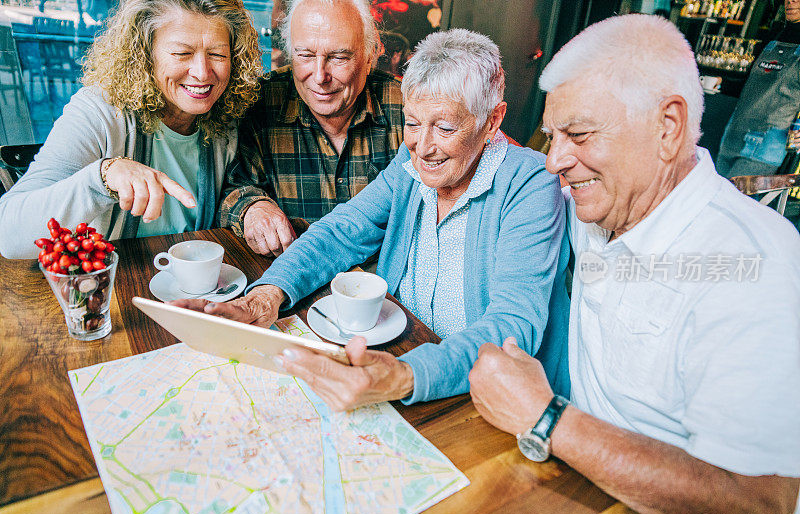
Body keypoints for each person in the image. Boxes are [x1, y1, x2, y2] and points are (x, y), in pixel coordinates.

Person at [469, 14, 800, 514]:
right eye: (553, 136)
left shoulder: (755, 265)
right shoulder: (604, 203)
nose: (554, 160)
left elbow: (756, 512)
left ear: (667, 127)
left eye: (578, 134)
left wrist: (546, 417)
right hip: (581, 498)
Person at [177, 28, 571, 411]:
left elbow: (513, 325)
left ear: (492, 120)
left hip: (485, 398)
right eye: (413, 123)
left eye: (446, 127)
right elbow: (341, 231)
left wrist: (404, 375)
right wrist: (265, 297)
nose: (424, 147)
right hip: (402, 359)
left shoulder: (532, 183)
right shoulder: (410, 164)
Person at [0, 0, 261, 260]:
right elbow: (8, 234)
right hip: (110, 292)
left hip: (192, 292)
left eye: (218, 54)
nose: (203, 73)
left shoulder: (226, 120)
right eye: (182, 53)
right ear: (144, 54)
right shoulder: (99, 113)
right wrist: (104, 176)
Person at [217, 0, 404, 257]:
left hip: (379, 285)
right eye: (304, 55)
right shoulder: (259, 103)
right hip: (291, 280)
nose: (319, 77)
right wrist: (253, 208)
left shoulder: (406, 107)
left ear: (370, 54)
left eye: (338, 57)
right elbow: (232, 186)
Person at [717, 0, 800, 179]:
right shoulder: (775, 37)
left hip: (765, 147)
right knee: (711, 201)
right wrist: (720, 83)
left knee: (731, 205)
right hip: (734, 135)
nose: (790, 1)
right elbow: (749, 84)